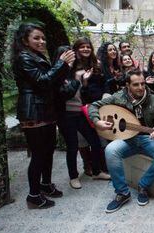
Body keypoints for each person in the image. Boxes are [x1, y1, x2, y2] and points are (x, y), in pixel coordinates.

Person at [88, 69, 154, 213]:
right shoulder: (118, 97)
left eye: (142, 84)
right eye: (135, 84)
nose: (140, 87)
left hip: (148, 138)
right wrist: (97, 121)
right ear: (127, 85)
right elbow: (94, 106)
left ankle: (143, 185)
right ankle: (122, 192)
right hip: (127, 139)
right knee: (110, 150)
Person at [12, 22, 75, 208]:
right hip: (33, 110)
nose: (42, 41)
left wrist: (65, 67)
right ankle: (33, 196)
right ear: (25, 40)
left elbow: (52, 81)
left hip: (45, 109)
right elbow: (43, 81)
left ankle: (45, 185)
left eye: (43, 38)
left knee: (48, 152)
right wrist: (61, 64)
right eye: (36, 38)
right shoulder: (23, 57)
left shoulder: (36, 55)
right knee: (39, 154)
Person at [57, 38, 111, 190]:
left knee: (94, 141)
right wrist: (81, 79)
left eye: (88, 47)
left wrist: (85, 82)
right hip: (66, 114)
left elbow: (84, 92)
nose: (71, 59)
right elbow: (65, 93)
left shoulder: (86, 68)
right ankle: (73, 177)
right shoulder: (63, 73)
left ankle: (96, 171)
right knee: (73, 146)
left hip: (80, 110)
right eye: (82, 47)